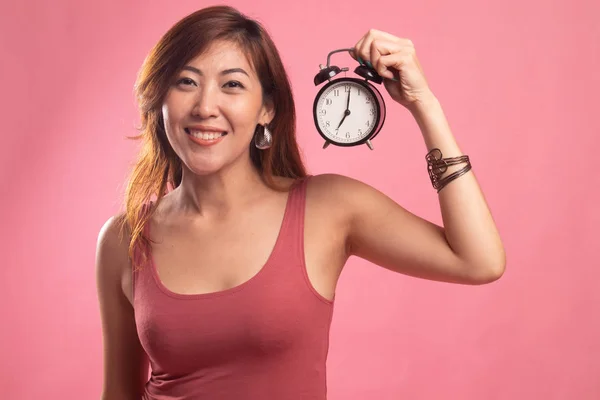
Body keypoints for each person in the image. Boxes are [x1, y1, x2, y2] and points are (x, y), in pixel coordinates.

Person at [95, 5, 505, 400]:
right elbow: (119, 392)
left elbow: (478, 260)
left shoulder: (329, 208)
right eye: (186, 81)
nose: (205, 107)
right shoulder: (123, 239)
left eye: (232, 84)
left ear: (267, 109)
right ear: (159, 100)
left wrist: (423, 104)